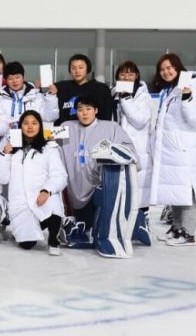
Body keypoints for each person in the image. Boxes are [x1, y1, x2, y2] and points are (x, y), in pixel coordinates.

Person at [58, 96, 139, 257]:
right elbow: (51, 148)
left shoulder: (111, 127)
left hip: (102, 187)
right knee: (85, 230)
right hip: (77, 188)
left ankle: (139, 223)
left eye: (88, 109)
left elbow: (129, 152)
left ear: (96, 110)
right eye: (80, 110)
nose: (84, 113)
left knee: (106, 226)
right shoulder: (66, 127)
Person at [0, 111, 67, 256]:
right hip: (20, 203)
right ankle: (32, 228)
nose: (30, 127)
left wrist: (47, 191)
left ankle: (54, 239)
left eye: (34, 123)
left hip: (41, 197)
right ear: (20, 126)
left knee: (53, 206)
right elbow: (2, 179)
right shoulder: (12, 149)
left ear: (40, 126)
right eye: (25, 123)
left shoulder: (49, 148)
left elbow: (60, 175)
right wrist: (4, 155)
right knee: (26, 245)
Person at [149, 54, 196, 246]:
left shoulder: (191, 87)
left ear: (178, 68)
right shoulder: (169, 90)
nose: (166, 72)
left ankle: (190, 233)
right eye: (162, 69)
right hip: (170, 151)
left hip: (184, 149)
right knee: (175, 191)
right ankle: (178, 228)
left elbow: (194, 120)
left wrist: (187, 98)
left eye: (169, 68)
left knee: (186, 192)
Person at [111, 61, 153, 242]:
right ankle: (124, 225)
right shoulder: (113, 95)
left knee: (139, 189)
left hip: (138, 148)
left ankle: (142, 224)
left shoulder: (144, 96)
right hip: (118, 146)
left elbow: (140, 121)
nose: (126, 77)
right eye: (122, 74)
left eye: (130, 74)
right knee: (122, 189)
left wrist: (126, 99)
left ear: (136, 76)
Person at [0, 62, 58, 135]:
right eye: (10, 78)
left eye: (17, 77)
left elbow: (51, 117)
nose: (14, 81)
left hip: (32, 140)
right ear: (6, 80)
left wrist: (51, 97)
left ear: (23, 77)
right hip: (7, 142)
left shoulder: (36, 96)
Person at [54, 53, 115, 125]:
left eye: (81, 67)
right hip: (64, 132)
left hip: (91, 132)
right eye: (73, 68)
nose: (77, 71)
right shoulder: (60, 87)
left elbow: (106, 116)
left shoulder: (101, 89)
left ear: (88, 69)